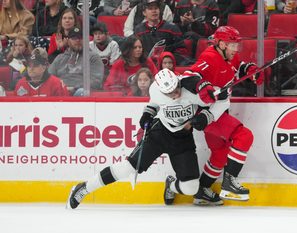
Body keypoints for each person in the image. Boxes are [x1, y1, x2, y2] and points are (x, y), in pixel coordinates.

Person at [66, 68, 228, 209]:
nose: (175, 94)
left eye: (176, 89)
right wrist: (148, 113)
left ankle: (170, 186)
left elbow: (224, 99)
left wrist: (208, 116)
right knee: (128, 168)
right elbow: (155, 104)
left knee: (191, 188)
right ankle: (83, 188)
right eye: (170, 93)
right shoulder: (155, 89)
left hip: (183, 138)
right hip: (159, 134)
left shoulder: (192, 88)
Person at [187, 26, 263, 205]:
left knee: (220, 154)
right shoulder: (209, 57)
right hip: (207, 113)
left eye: (237, 45)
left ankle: (202, 191)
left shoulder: (230, 55)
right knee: (244, 136)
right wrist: (204, 87)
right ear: (221, 44)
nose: (235, 49)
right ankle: (229, 183)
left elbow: (238, 67)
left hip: (220, 111)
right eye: (231, 45)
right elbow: (190, 75)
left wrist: (250, 70)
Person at [49, 27, 104, 96]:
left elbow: (96, 81)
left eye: (80, 38)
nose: (77, 40)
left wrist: (74, 88)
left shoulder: (93, 57)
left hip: (81, 94)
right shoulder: (60, 58)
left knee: (81, 92)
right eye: (74, 38)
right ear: (68, 41)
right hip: (60, 93)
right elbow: (48, 78)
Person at [134, 0, 191, 66]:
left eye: (156, 8)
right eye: (150, 9)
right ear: (144, 13)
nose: (154, 11)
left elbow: (182, 50)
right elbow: (135, 50)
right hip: (145, 66)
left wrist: (168, 59)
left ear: (159, 10)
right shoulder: (139, 30)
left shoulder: (172, 28)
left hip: (168, 65)